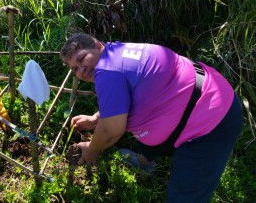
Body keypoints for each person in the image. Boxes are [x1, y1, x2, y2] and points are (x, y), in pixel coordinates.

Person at [60, 32, 243, 202]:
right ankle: (145, 162)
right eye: (75, 69)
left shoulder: (106, 72)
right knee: (140, 117)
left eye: (82, 59)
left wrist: (92, 149)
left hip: (212, 122)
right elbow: (124, 98)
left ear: (98, 46)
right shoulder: (116, 53)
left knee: (185, 195)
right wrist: (95, 119)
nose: (81, 71)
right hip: (205, 92)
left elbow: (111, 130)